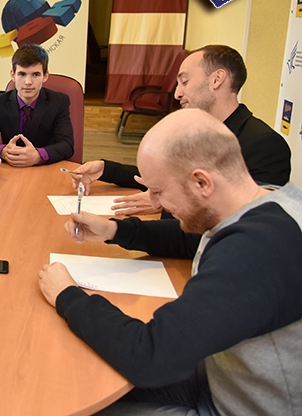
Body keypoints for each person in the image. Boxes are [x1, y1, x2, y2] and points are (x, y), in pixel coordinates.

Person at [39, 108, 302, 415]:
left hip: (235, 405)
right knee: (79, 379)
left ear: (201, 182)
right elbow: (190, 238)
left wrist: (68, 296)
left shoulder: (253, 254)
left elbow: (150, 356)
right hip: (222, 374)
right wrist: (114, 230)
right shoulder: (269, 203)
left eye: (159, 191)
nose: (153, 203)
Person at [70, 45, 291, 215]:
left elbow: (234, 223)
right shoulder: (197, 131)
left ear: (217, 79)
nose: (177, 94)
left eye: (184, 82)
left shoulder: (265, 146)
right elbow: (166, 178)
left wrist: (165, 205)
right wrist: (106, 169)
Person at [0, 44, 73, 166]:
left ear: (45, 76)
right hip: (10, 167)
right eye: (22, 74)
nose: (28, 82)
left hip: (44, 167)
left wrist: (38, 155)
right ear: (13, 75)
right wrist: (3, 151)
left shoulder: (59, 102)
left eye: (35, 75)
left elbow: (67, 145)